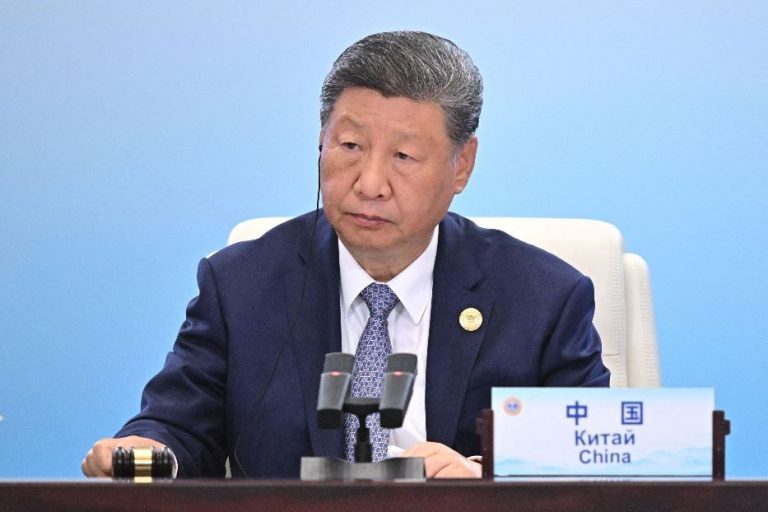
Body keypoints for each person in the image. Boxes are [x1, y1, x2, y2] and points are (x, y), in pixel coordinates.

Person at [82, 30, 609, 480]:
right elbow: (176, 428)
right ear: (322, 141)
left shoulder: (543, 298)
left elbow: (595, 455)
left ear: (462, 165)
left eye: (404, 156)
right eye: (350, 147)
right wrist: (144, 453)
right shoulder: (241, 285)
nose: (370, 183)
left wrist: (481, 475)